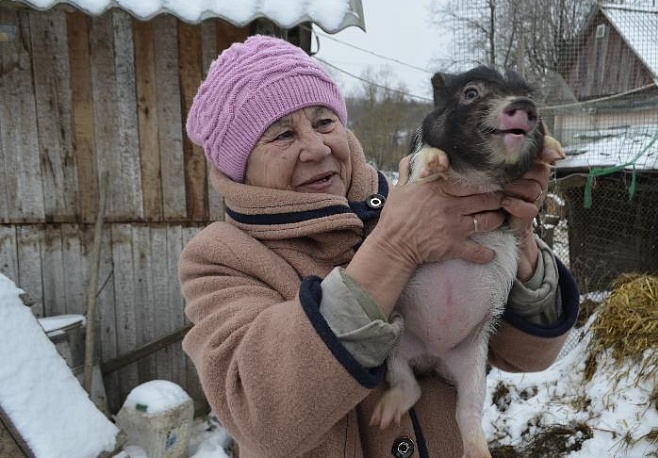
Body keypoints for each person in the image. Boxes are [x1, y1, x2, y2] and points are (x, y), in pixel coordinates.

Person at [179, 34, 579, 458]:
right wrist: (394, 249)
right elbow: (261, 416)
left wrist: (516, 237)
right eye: (281, 135)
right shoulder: (220, 258)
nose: (316, 148)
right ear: (240, 167)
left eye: (323, 122)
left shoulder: (409, 195)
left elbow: (526, 356)